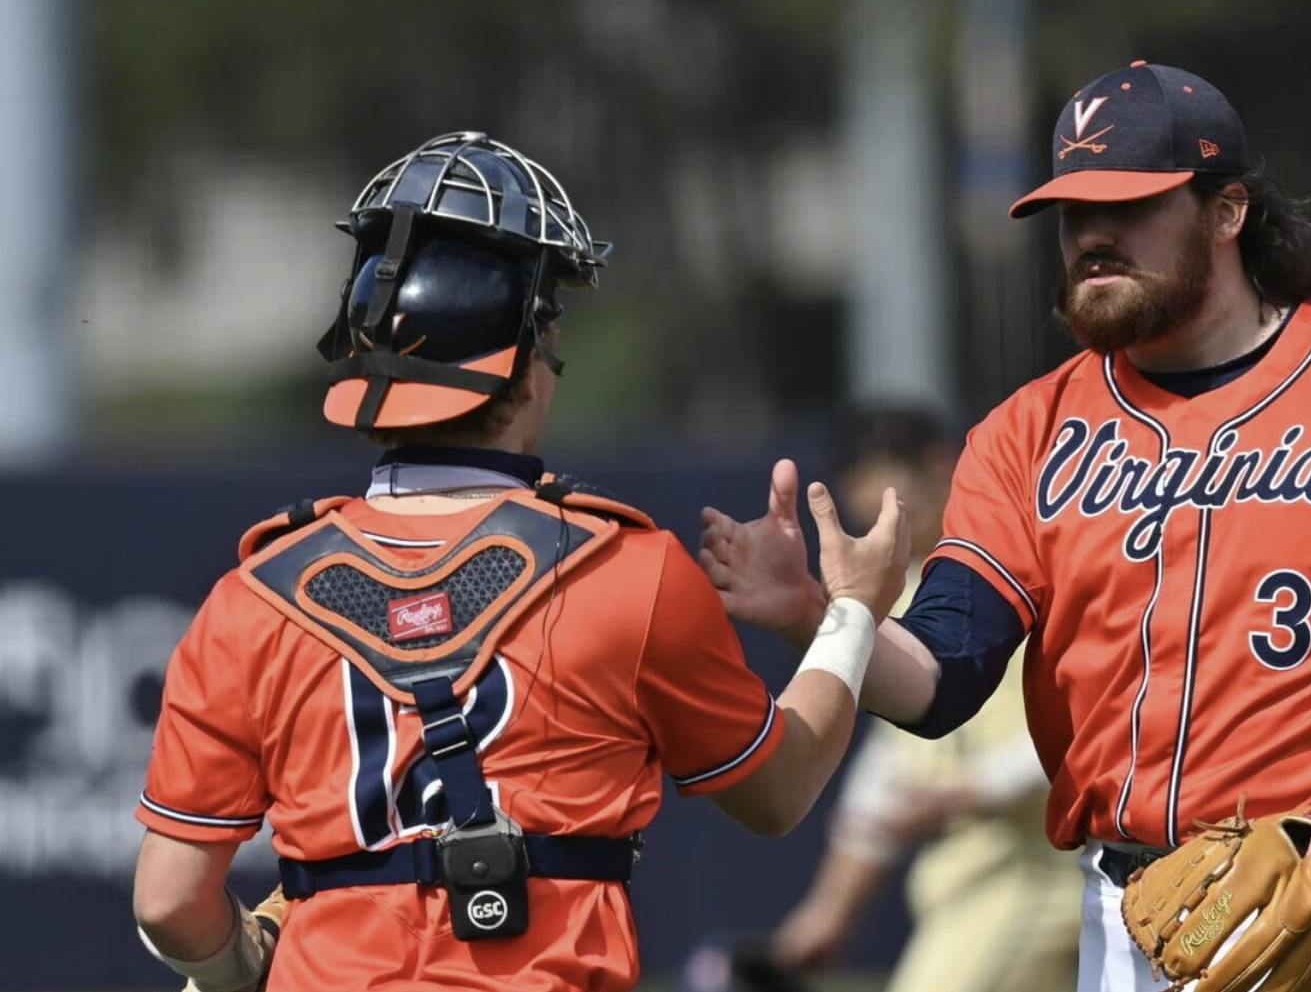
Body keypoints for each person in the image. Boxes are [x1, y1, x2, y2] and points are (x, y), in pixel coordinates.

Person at [699, 62, 1311, 992]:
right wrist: (824, 619)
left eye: (1129, 204)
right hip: (1128, 917)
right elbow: (944, 678)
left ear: (1226, 212)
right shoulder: (1026, 432)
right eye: (1073, 213)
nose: (1093, 236)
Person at [129, 131, 909, 992]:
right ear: (529, 366)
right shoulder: (627, 570)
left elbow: (169, 899)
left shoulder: (251, 597)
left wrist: (243, 967)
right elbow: (780, 788)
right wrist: (850, 610)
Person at [766, 408, 1082, 992]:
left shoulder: (1032, 567)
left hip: (1040, 875)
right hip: (965, 883)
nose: (882, 523)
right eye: (868, 510)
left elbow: (1096, 723)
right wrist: (830, 908)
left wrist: (969, 791)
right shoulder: (909, 589)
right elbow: (891, 764)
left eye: (892, 499)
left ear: (942, 467)